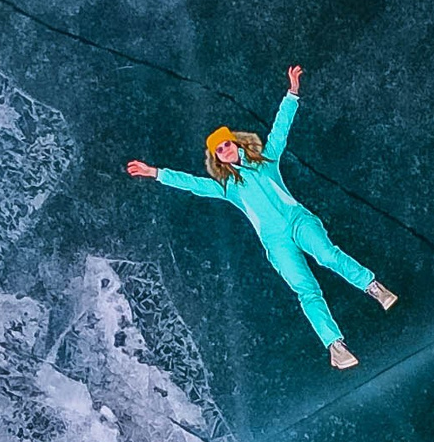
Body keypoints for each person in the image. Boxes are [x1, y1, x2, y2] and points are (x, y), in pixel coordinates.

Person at [127, 65, 396, 369]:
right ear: (216, 158)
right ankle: (335, 346)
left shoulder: (266, 160)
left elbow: (280, 129)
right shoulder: (227, 187)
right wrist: (155, 173)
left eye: (226, 143)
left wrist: (292, 92)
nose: (224, 150)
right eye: (218, 150)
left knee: (326, 255)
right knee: (305, 289)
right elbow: (193, 184)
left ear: (236, 143)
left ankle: (372, 287)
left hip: (298, 220)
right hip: (276, 242)